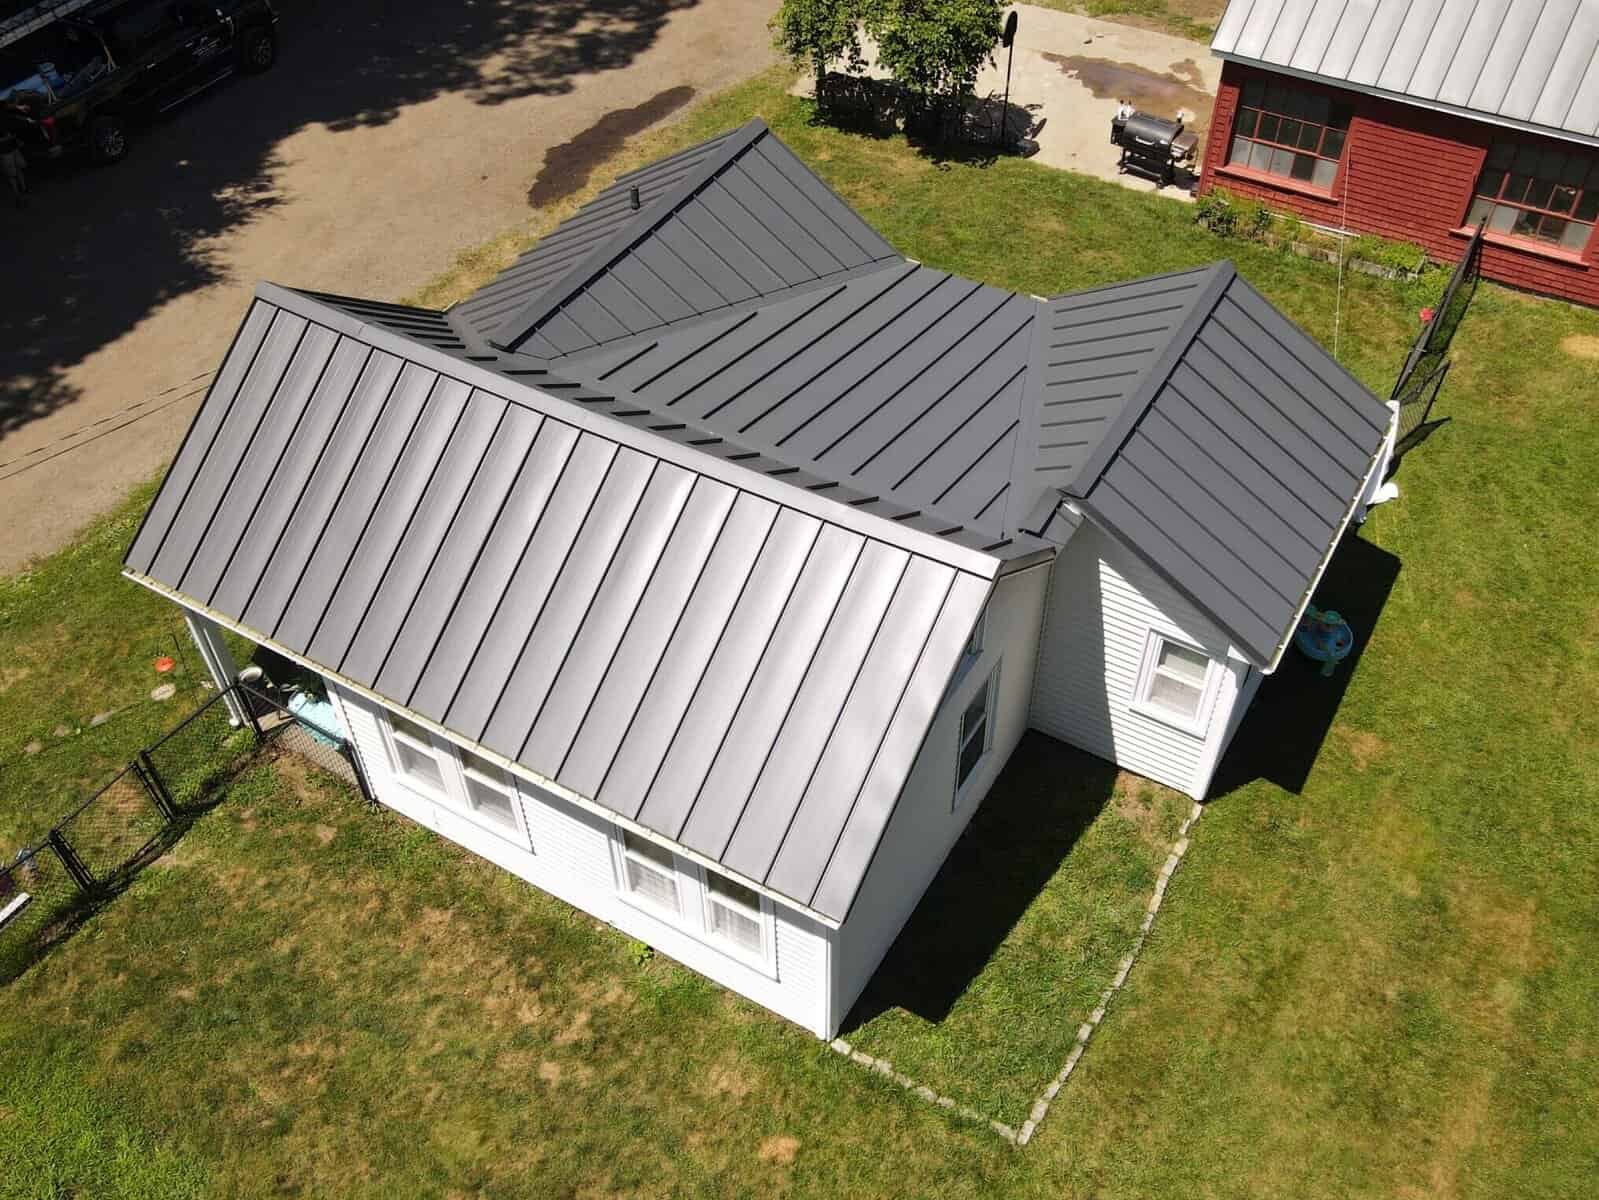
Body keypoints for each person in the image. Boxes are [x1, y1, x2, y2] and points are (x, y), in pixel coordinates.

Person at [0, 128, 26, 208]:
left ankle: (24, 189)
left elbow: (12, 132)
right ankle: (17, 195)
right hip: (5, 153)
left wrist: (17, 140)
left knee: (19, 169)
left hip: (14, 149)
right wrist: (9, 138)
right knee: (11, 175)